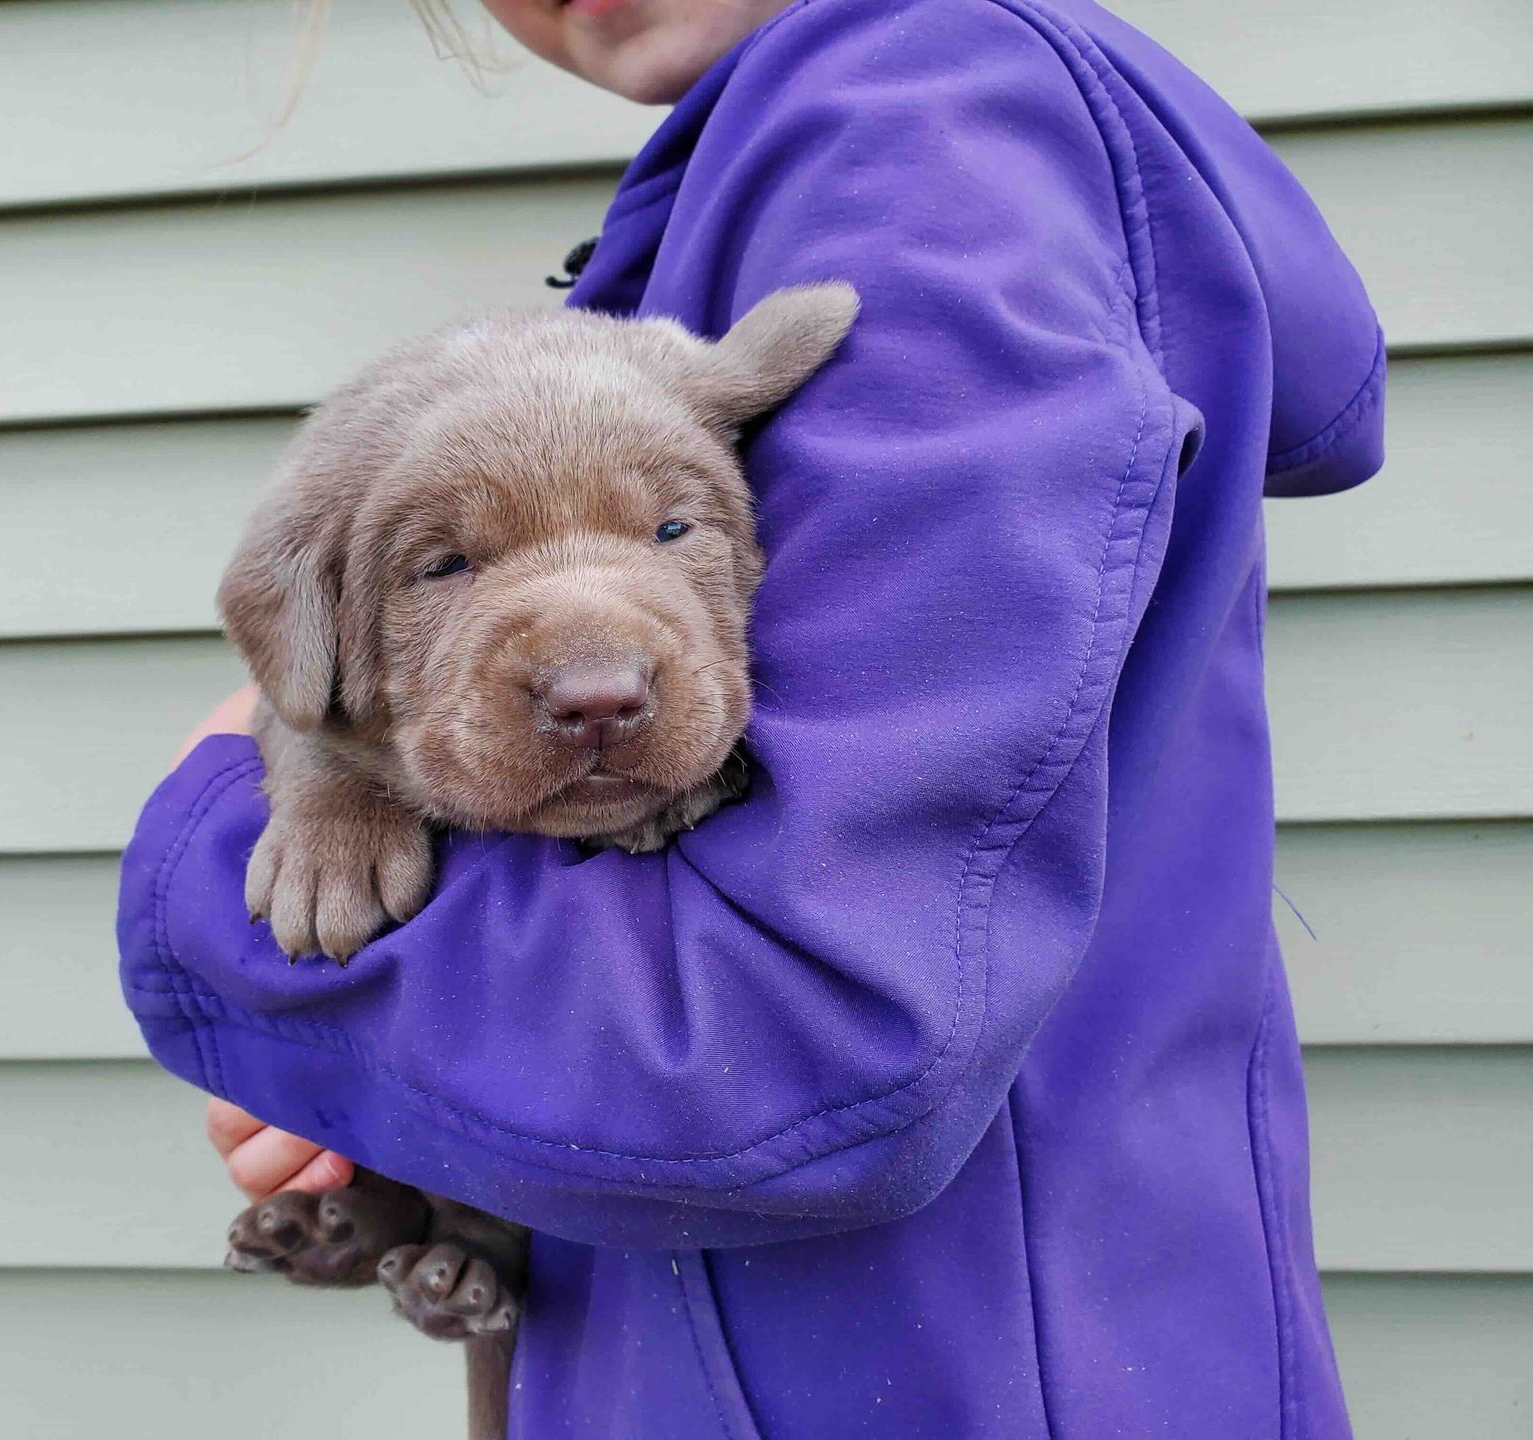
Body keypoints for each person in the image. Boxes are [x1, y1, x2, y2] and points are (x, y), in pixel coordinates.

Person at [119, 0, 1385, 1433]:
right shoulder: (741, 182)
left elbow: (799, 1049)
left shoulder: (926, 143)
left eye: (670, 530)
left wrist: (229, 889)